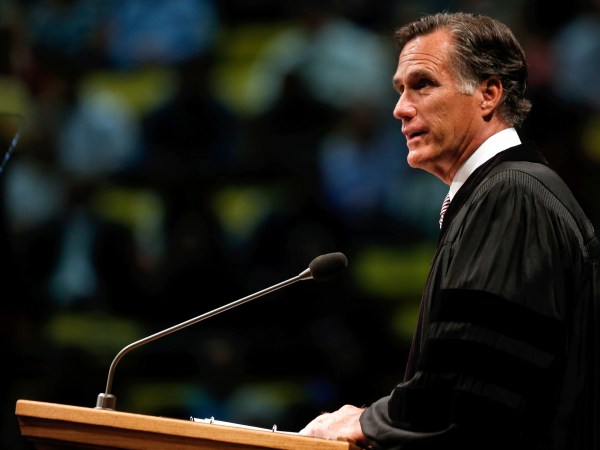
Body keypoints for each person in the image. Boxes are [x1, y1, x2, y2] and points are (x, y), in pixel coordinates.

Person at [298, 11, 600, 450]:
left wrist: (368, 420)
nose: (400, 108)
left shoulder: (511, 196)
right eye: (400, 89)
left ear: (488, 94)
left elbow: (472, 388)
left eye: (422, 84)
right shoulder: (501, 194)